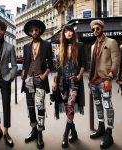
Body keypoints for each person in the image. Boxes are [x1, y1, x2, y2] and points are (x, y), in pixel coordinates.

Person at [52, 24, 85, 148]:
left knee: (70, 105)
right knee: (67, 108)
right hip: (63, 83)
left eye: (70, 31)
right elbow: (59, 69)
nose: (68, 33)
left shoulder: (80, 46)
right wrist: (55, 82)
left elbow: (83, 65)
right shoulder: (62, 48)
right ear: (63, 34)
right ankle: (74, 132)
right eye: (66, 32)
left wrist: (79, 76)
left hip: (74, 81)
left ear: (73, 33)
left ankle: (65, 135)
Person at [21, 19, 53, 149]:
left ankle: (40, 132)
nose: (34, 32)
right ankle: (33, 130)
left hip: (40, 79)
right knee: (30, 106)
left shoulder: (46, 44)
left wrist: (45, 75)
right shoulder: (26, 46)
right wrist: (23, 72)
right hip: (28, 79)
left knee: (40, 105)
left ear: (39, 31)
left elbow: (50, 62)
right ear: (29, 32)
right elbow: (25, 62)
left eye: (36, 30)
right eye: (31, 30)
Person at [89, 19, 119, 149]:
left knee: (108, 106)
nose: (95, 31)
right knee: (98, 106)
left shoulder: (111, 42)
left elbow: (116, 62)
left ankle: (109, 133)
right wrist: (90, 80)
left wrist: (109, 78)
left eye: (97, 28)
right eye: (93, 29)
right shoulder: (92, 46)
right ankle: (101, 127)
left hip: (104, 80)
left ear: (102, 28)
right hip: (94, 82)